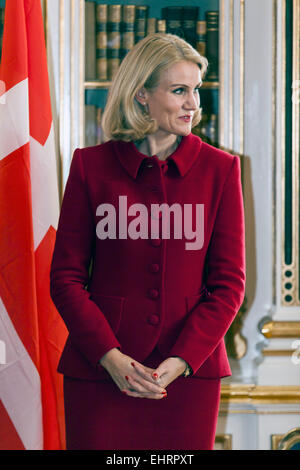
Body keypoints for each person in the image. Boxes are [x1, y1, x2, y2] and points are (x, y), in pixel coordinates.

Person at [50, 33, 245, 450]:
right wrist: (109, 356)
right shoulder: (90, 167)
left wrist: (180, 362)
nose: (194, 104)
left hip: (186, 377)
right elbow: (65, 278)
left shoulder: (220, 170)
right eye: (179, 91)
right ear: (141, 94)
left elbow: (229, 285)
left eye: (196, 90)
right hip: (101, 374)